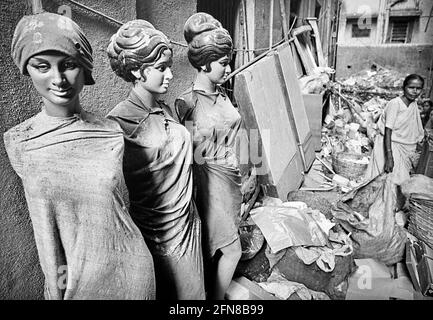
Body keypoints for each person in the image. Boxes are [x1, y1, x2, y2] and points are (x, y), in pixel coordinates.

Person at [5, 12, 155, 300]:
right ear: (27, 69)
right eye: (42, 66)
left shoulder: (111, 131)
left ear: (84, 68)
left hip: (132, 274)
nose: (58, 79)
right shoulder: (19, 141)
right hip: (74, 283)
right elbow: (46, 233)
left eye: (69, 65)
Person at [106, 20, 205, 300]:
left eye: (169, 66)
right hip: (157, 237)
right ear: (137, 70)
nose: (170, 75)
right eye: (161, 68)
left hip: (188, 224)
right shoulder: (119, 123)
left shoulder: (164, 109)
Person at [175, 12, 243, 300]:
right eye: (224, 63)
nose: (228, 68)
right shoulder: (186, 103)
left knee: (217, 247)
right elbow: (186, 155)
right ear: (203, 63)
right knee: (232, 250)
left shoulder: (223, 93)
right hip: (208, 182)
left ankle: (211, 290)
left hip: (229, 180)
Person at [364, 74, 425, 187]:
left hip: (404, 149)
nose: (415, 91)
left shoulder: (414, 104)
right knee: (386, 183)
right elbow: (388, 130)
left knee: (399, 184)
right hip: (391, 146)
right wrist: (389, 157)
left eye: (418, 88)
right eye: (411, 87)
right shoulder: (395, 104)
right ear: (404, 87)